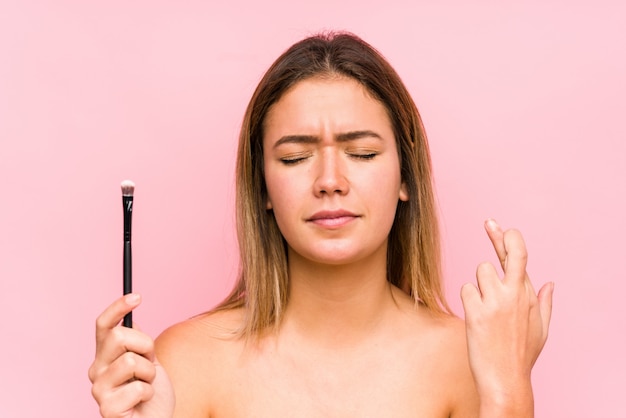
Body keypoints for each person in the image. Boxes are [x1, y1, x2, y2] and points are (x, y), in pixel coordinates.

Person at [89, 31, 554, 417]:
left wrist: (508, 387)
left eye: (362, 153)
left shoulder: (471, 360)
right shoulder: (184, 363)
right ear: (263, 188)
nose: (330, 181)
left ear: (406, 177)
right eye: (295, 157)